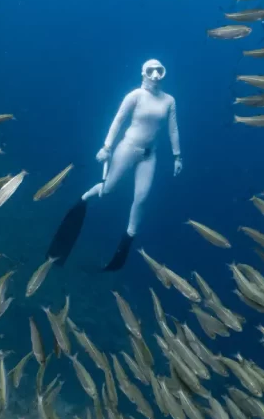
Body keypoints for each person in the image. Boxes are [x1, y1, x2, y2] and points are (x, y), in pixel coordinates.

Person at [47, 58, 182, 271]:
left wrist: (177, 156)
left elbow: (173, 129)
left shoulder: (169, 101)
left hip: (150, 155)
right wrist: (107, 147)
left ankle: (128, 239)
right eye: (151, 71)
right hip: (127, 148)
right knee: (107, 189)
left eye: (159, 71)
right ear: (143, 74)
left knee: (142, 197)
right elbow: (118, 120)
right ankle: (84, 199)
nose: (155, 75)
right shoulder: (135, 96)